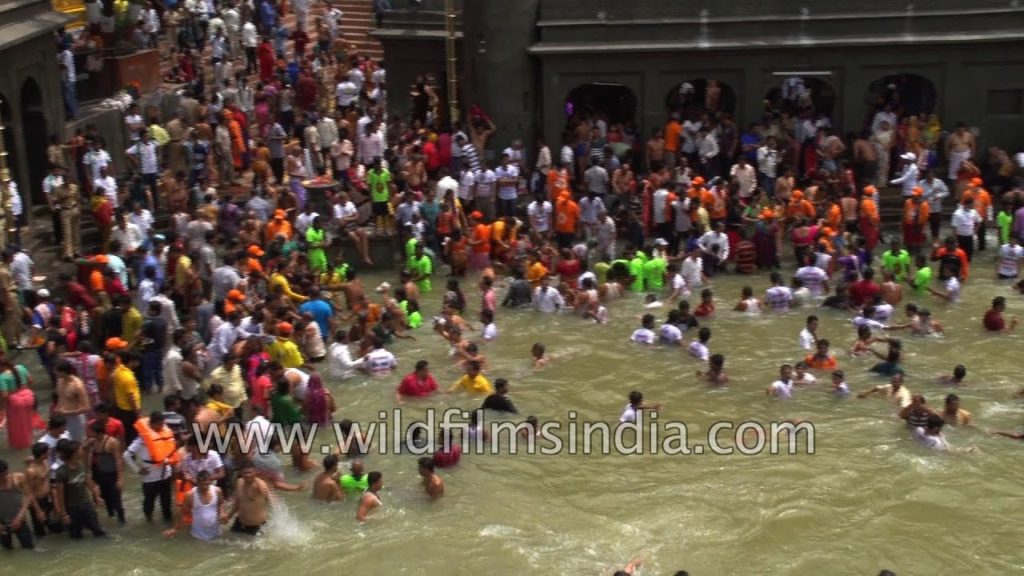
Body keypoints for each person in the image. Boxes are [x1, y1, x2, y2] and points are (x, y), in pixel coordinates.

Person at [122, 412, 178, 523]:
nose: (161, 427)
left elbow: (172, 452)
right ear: (152, 424)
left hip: (165, 474)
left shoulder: (165, 435)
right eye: (159, 424)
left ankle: (167, 523)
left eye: (162, 424)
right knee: (149, 504)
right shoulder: (141, 440)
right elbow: (126, 455)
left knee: (166, 504)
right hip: (150, 478)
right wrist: (138, 470)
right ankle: (149, 521)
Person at [163, 470, 226, 541]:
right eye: (202, 484)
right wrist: (175, 528)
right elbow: (182, 512)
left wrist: (222, 512)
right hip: (198, 533)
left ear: (210, 482)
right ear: (197, 483)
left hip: (215, 530)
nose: (205, 487)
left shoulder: (217, 491)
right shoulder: (190, 495)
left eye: (207, 484)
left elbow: (221, 503)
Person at [0, 459, 34, 549]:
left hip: (19, 518)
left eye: (6, 474)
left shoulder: (18, 478)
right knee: (7, 550)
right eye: (1, 476)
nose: (4, 478)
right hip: (2, 523)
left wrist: (20, 517)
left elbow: (28, 495)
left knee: (29, 547)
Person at [231, 461, 269, 535]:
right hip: (240, 523)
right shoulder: (239, 482)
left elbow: (270, 499)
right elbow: (237, 502)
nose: (248, 475)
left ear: (255, 472)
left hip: (257, 526)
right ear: (241, 473)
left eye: (250, 472)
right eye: (245, 473)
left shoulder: (260, 485)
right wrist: (229, 516)